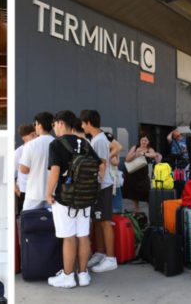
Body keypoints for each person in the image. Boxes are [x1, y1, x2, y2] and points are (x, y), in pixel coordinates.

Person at [45, 111, 102, 288]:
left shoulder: (56, 144)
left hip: (65, 198)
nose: (54, 129)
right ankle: (83, 275)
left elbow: (55, 171)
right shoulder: (84, 143)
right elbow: (99, 164)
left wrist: (48, 193)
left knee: (69, 238)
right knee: (83, 236)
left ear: (61, 123)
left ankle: (68, 276)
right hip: (86, 197)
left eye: (54, 125)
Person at [80, 110, 117, 273]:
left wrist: (96, 186)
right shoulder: (96, 139)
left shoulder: (100, 141)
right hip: (98, 187)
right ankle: (101, 253)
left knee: (105, 222)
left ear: (88, 122)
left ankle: (110, 258)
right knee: (97, 221)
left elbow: (102, 165)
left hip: (102, 187)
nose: (82, 126)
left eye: (82, 123)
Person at [19, 112, 54, 211]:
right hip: (52, 193)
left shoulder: (31, 145)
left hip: (34, 193)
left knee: (30, 223)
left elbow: (23, 169)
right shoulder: (57, 143)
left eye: (35, 124)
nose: (35, 127)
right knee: (51, 224)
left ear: (39, 125)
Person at [123, 135, 159, 213]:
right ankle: (137, 211)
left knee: (146, 192)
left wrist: (143, 154)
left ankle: (152, 211)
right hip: (133, 173)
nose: (143, 142)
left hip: (143, 174)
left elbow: (154, 155)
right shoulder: (135, 147)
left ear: (148, 142)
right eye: (142, 140)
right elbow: (127, 159)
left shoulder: (150, 149)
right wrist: (135, 154)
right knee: (134, 193)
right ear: (140, 141)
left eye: (145, 140)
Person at [14, 123, 37, 215]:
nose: (35, 137)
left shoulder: (38, 148)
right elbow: (10, 174)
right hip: (24, 191)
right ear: (24, 138)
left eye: (36, 134)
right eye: (32, 135)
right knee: (26, 219)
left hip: (38, 191)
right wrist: (18, 191)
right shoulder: (18, 152)